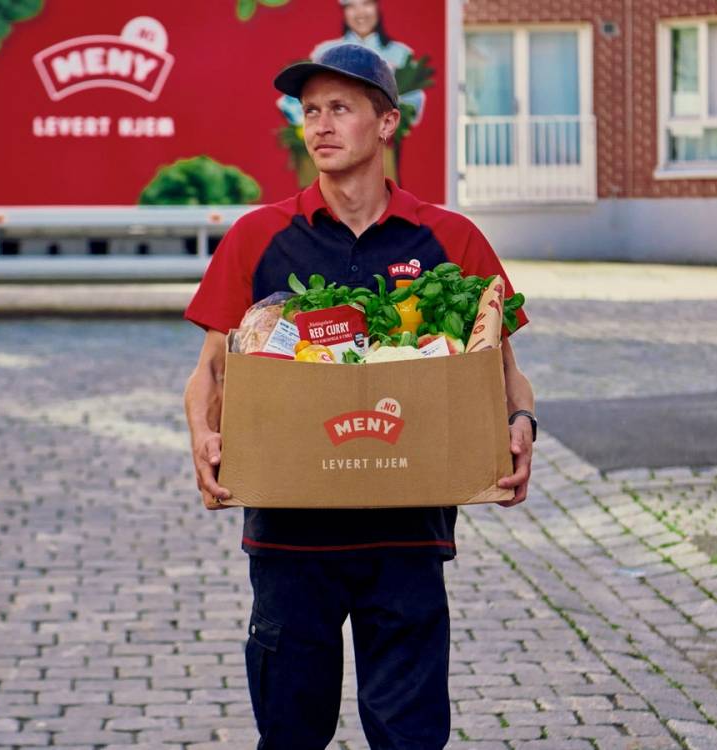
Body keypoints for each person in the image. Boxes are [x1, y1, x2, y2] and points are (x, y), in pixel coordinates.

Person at [183, 43, 537, 750]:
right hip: (289, 538)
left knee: (409, 738)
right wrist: (204, 435)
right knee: (290, 735)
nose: (319, 125)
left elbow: (502, 370)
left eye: (340, 108)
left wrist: (521, 420)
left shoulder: (450, 240)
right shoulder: (260, 237)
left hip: (408, 535)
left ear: (386, 123)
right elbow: (212, 372)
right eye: (309, 111)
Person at [277, 0, 426, 135]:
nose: (360, 12)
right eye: (351, 6)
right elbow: (292, 101)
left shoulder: (401, 53)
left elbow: (414, 102)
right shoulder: (324, 51)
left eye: (366, 3)